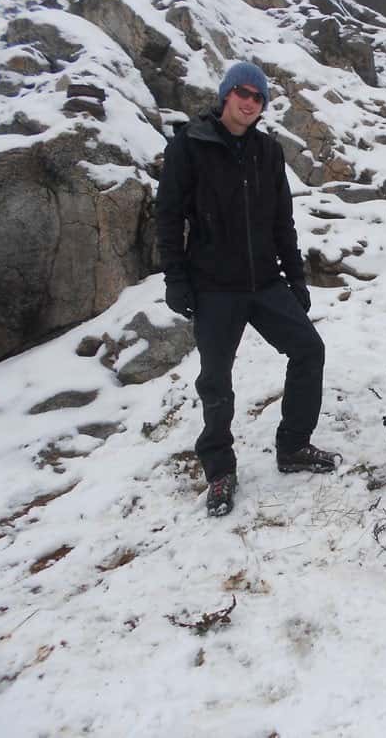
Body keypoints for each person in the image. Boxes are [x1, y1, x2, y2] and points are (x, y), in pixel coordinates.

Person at [156, 61, 339, 518]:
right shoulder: (189, 146)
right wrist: (176, 278)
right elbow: (168, 216)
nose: (249, 102)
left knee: (308, 349)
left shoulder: (267, 152)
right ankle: (219, 469)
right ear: (225, 96)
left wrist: (295, 279)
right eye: (241, 92)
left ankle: (293, 446)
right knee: (216, 380)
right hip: (214, 286)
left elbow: (282, 220)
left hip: (265, 282)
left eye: (258, 97)